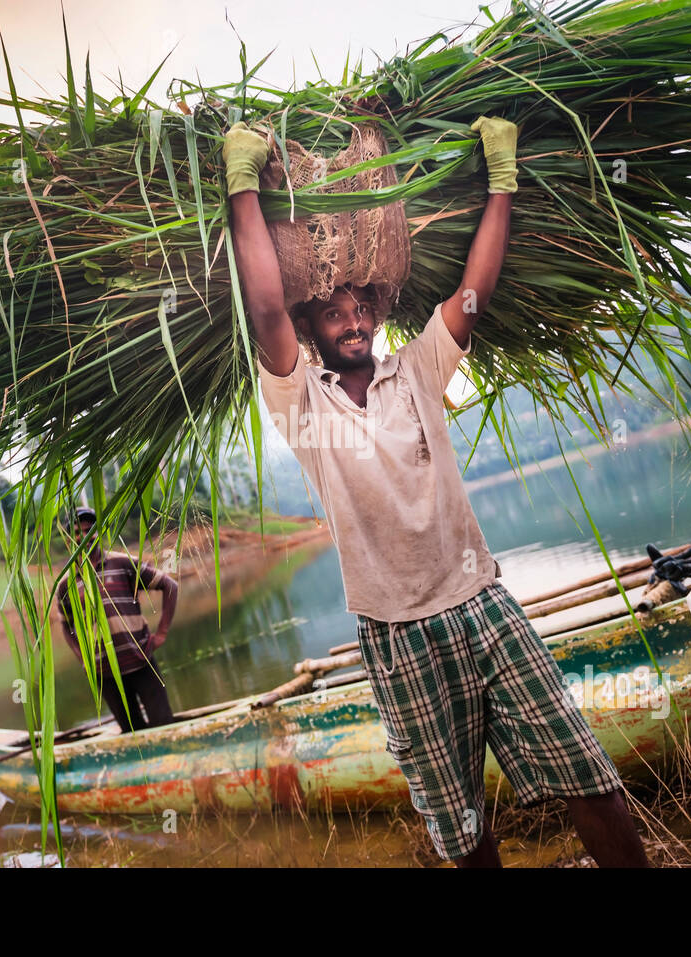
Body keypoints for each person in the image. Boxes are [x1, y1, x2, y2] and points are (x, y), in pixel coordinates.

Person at [224, 117, 650, 868]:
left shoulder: (417, 370)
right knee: (460, 829)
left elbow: (475, 292)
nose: (353, 321)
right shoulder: (301, 400)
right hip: (396, 637)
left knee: (587, 770)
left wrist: (502, 178)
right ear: (313, 328)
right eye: (334, 312)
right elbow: (263, 308)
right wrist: (243, 185)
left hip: (482, 605)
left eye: (361, 309)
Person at [55, 506, 179, 732]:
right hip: (105, 673)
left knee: (165, 726)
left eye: (89, 529)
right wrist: (83, 658)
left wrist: (161, 633)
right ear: (69, 539)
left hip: (141, 660)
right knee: (132, 734)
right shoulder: (65, 584)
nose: (84, 536)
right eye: (77, 532)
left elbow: (170, 586)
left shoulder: (124, 563)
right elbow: (66, 624)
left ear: (99, 532)